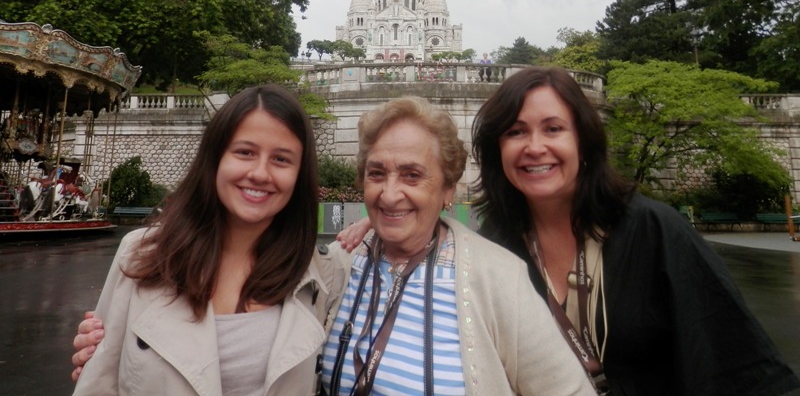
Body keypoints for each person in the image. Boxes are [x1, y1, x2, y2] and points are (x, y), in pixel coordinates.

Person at [470, 66, 800, 395]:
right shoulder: (494, 246)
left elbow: (741, 361)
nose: (535, 146)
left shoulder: (653, 230)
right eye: (515, 132)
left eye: (553, 129)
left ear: (583, 141)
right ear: (497, 149)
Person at [71, 85, 343, 395]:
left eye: (281, 159)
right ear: (214, 158)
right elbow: (98, 381)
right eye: (245, 152)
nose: (260, 173)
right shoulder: (140, 254)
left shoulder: (319, 273)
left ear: (299, 175)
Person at [319, 96, 595, 395]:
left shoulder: (499, 277)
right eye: (377, 174)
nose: (389, 194)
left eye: (412, 175)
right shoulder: (339, 262)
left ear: (448, 188)